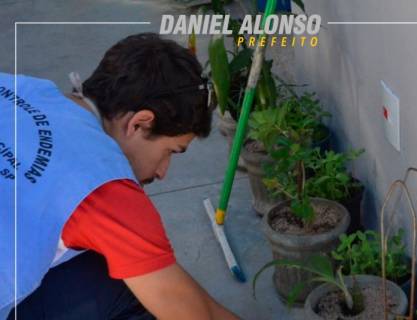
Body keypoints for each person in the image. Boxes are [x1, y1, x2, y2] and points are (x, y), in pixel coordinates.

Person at [0, 32, 240, 320]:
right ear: (139, 123)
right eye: (171, 151)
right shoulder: (101, 183)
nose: (163, 172)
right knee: (133, 291)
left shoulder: (25, 88)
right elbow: (192, 314)